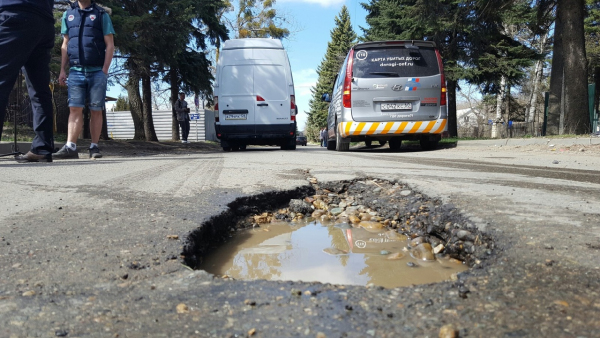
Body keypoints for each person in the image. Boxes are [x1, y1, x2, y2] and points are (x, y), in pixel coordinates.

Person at [54, 0, 115, 159]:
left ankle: (94, 147)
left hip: (97, 72)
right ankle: (70, 147)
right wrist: (62, 70)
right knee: (74, 108)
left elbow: (110, 45)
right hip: (75, 71)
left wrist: (105, 70)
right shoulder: (68, 15)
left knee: (96, 109)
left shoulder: (102, 14)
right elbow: (65, 44)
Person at [0, 0, 55, 162]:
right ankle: (42, 148)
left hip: (16, 14)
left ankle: (42, 147)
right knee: (40, 89)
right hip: (44, 21)